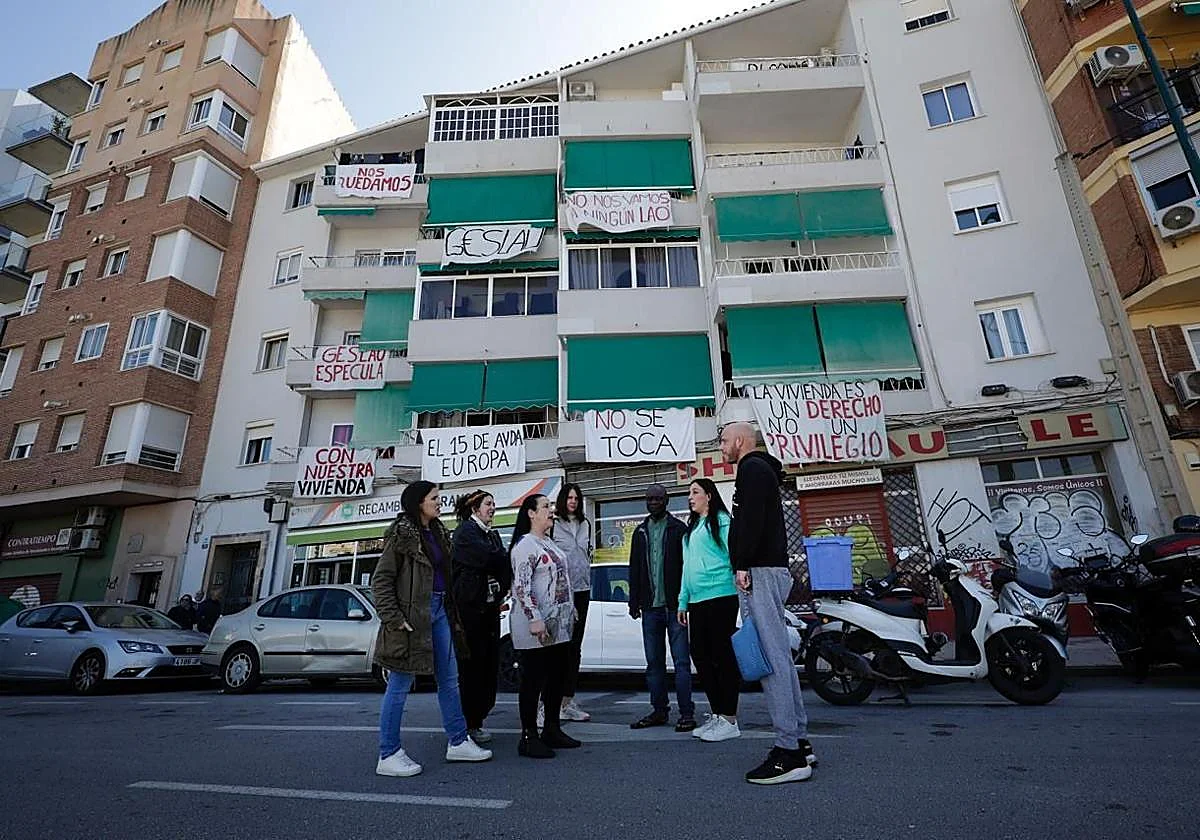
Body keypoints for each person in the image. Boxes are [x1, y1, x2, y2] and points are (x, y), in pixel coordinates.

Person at [373, 480, 492, 777]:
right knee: (399, 685)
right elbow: (381, 581)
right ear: (418, 503)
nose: (440, 502)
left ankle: (458, 741)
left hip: (439, 612)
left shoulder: (439, 533)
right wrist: (395, 618)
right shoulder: (401, 536)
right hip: (411, 617)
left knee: (450, 679)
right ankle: (388, 753)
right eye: (434, 498)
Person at [719, 422, 814, 784]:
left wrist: (741, 564)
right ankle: (800, 742)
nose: (722, 447)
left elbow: (751, 522)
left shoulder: (751, 468)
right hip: (766, 569)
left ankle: (788, 752)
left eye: (725, 440)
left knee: (771, 661)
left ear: (741, 441)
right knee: (779, 659)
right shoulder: (762, 470)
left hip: (759, 571)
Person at [509, 493, 580, 758]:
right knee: (533, 680)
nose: (551, 511)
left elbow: (563, 580)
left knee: (556, 678)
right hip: (537, 627)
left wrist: (570, 607)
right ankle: (528, 736)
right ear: (531, 513)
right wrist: (534, 618)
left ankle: (552, 728)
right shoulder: (525, 546)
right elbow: (522, 587)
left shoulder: (548, 543)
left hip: (559, 625)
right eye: (545, 507)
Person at [628, 484, 696, 732]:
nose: (653, 503)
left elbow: (688, 567)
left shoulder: (679, 530)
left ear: (666, 501)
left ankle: (687, 713)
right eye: (649, 499)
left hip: (674, 607)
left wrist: (686, 601)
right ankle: (659, 711)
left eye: (658, 499)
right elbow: (634, 568)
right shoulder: (640, 532)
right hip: (650, 608)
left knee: (681, 663)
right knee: (653, 663)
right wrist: (634, 601)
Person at [677, 478, 741, 743]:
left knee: (722, 656)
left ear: (709, 496)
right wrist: (682, 601)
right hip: (697, 600)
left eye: (695, 492)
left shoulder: (722, 522)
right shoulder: (691, 530)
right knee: (700, 655)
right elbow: (686, 568)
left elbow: (736, 557)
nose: (690, 497)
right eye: (689, 493)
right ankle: (717, 714)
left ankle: (730, 718)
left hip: (721, 595)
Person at [451, 490, 512, 745]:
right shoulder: (466, 532)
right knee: (472, 668)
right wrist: (497, 560)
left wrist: (499, 562)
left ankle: (479, 718)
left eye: (494, 504)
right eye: (488, 504)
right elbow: (490, 558)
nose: (493, 508)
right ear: (475, 508)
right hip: (471, 612)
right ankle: (468, 723)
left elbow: (503, 564)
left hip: (490, 609)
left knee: (488, 666)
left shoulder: (491, 534)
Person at [552, 482, 593, 723]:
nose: (573, 501)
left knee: (575, 648)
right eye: (569, 497)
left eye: (576, 498)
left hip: (582, 589)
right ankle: (551, 702)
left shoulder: (586, 523)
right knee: (560, 647)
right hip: (561, 593)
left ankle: (567, 701)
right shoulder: (554, 524)